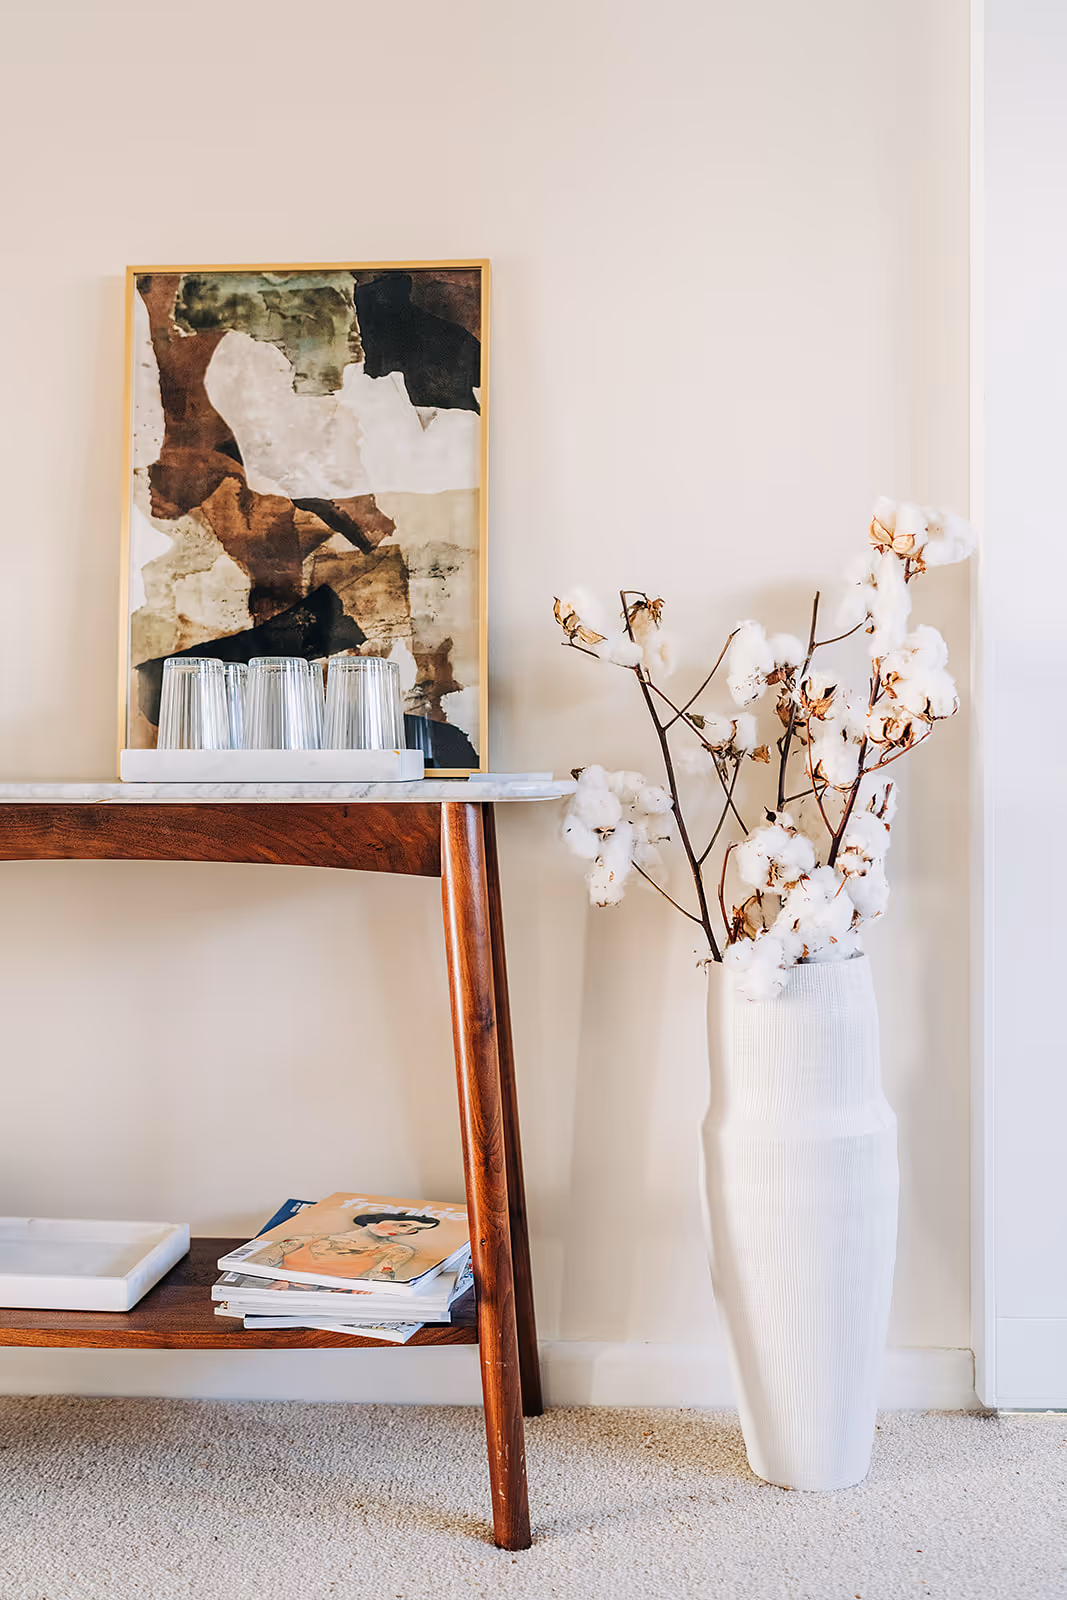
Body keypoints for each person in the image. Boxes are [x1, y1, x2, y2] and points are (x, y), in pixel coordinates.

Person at [258, 1211, 440, 1282]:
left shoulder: (398, 1251)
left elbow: (380, 1278)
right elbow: (259, 1264)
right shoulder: (304, 1240)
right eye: (404, 1225)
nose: (407, 1232)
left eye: (414, 1230)